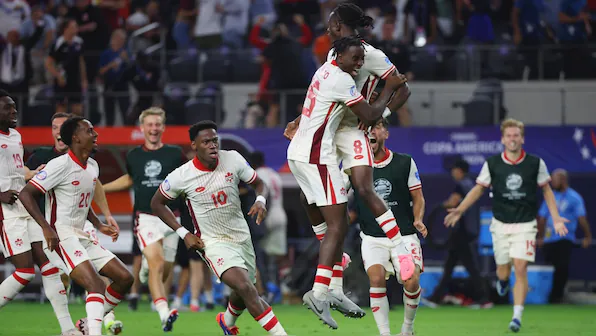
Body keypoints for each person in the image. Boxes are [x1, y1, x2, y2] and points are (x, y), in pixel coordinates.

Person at [283, 3, 415, 320]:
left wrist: (378, 117)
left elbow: (403, 88)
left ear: (340, 24)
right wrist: (301, 119)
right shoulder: (336, 56)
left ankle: (399, 249)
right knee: (313, 199)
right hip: (328, 131)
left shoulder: (371, 55)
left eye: (331, 24)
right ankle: (335, 283)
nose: (327, 28)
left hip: (354, 128)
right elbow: (323, 96)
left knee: (363, 188)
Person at [151, 120, 288, 335]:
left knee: (244, 288)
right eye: (206, 142)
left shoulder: (232, 158)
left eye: (215, 140)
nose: (213, 145)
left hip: (242, 237)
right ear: (194, 145)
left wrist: (260, 199)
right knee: (245, 287)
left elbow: (259, 183)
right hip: (213, 242)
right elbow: (156, 203)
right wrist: (183, 232)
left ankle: (227, 321)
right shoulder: (181, 175)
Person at [444, 118, 569, 333]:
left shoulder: (535, 163)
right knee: (503, 270)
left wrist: (556, 218)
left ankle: (517, 315)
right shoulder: (492, 164)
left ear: (522, 139)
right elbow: (478, 189)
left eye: (516, 135)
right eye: (509, 136)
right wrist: (460, 209)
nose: (512, 139)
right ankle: (502, 281)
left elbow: (547, 191)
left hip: (525, 225)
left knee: (520, 268)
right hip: (500, 225)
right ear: (503, 139)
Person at [19, 116, 134, 336]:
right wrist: (46, 227)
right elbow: (26, 194)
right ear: (76, 138)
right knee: (96, 286)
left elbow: (82, 200)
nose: (95, 134)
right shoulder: (59, 165)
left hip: (82, 233)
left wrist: (98, 224)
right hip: (61, 235)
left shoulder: (92, 166)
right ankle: (94, 332)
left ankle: (86, 324)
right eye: (89, 131)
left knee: (125, 278)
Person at [0, 90, 80, 336]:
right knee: (24, 271)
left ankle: (68, 329)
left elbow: (15, 171)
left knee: (49, 266)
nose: (14, 111)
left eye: (14, 106)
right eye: (7, 108)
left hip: (24, 204)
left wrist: (33, 175)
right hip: (6, 212)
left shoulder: (15, 135)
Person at [102, 107, 186, 331]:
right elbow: (130, 179)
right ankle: (163, 314)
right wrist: (101, 189)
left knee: (164, 269)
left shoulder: (175, 154)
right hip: (146, 217)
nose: (153, 128)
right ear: (142, 128)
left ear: (163, 127)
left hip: (171, 218)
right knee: (157, 263)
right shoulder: (134, 155)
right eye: (149, 124)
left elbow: (186, 181)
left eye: (157, 124)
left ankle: (145, 273)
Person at [350, 119, 427, 336]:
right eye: (367, 129)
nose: (371, 132)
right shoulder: (353, 167)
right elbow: (338, 195)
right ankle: (384, 333)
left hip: (404, 235)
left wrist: (418, 219)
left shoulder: (405, 162)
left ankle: (407, 328)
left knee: (411, 281)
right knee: (376, 278)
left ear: (386, 133)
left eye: (376, 127)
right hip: (373, 237)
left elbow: (418, 196)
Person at [424, 158, 492, 307]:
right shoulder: (472, 185)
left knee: (471, 267)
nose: (453, 173)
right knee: (450, 267)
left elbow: (453, 202)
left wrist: (440, 206)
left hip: (461, 231)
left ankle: (484, 299)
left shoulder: (462, 185)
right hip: (469, 230)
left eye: (454, 170)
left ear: (459, 170)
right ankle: (436, 297)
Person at [537, 169, 592, 303]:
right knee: (548, 268)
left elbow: (581, 218)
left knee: (561, 267)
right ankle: (545, 295)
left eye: (555, 179)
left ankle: (557, 296)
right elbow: (542, 217)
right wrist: (541, 236)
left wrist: (587, 236)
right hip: (549, 239)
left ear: (563, 180)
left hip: (564, 238)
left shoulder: (574, 197)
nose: (552, 182)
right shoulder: (550, 196)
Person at [249, 151, 290, 300]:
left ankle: (268, 289)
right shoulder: (274, 173)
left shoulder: (257, 175)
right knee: (278, 256)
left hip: (267, 215)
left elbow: (263, 196)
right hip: (281, 214)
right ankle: (282, 287)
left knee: (263, 256)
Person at [45, 19, 88, 115]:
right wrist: (57, 75)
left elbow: (81, 62)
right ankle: (59, 129)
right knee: (61, 108)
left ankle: (74, 129)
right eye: (73, 27)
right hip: (62, 79)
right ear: (65, 29)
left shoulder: (79, 42)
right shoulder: (58, 43)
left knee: (78, 109)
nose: (75, 29)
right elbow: (48, 63)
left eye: (76, 27)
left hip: (75, 80)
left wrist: (84, 79)